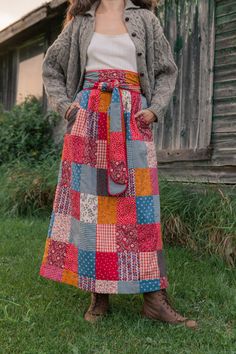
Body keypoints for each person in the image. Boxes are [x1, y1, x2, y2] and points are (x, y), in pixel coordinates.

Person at [39, 0, 197, 329]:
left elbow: (167, 70)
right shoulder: (80, 21)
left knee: (141, 209)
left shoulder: (145, 20)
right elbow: (51, 68)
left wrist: (156, 109)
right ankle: (99, 294)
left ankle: (154, 299)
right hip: (88, 121)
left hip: (132, 121)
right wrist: (67, 107)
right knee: (91, 207)